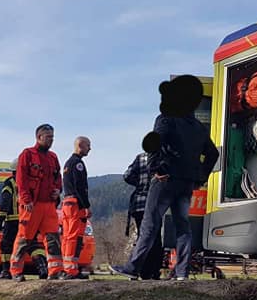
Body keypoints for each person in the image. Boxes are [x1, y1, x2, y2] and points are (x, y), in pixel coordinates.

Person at [112, 75, 219, 281]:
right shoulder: (198, 126)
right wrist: (200, 177)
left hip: (166, 180)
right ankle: (182, 273)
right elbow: (213, 153)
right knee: (183, 228)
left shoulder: (166, 118)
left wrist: (156, 168)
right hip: (187, 182)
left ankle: (133, 268)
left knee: (150, 225)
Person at [10, 123, 63, 282]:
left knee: (53, 238)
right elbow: (21, 180)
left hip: (49, 205)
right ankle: (16, 271)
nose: (51, 140)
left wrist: (57, 190)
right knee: (24, 237)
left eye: (52, 137)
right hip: (32, 205)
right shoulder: (27, 154)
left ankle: (55, 271)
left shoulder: (53, 157)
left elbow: (58, 178)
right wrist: (26, 200)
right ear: (39, 137)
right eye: (48, 137)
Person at [122, 152, 163, 279]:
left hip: (139, 203)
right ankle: (154, 271)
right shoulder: (163, 157)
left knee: (142, 237)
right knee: (156, 238)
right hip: (156, 202)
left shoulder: (140, 158)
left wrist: (139, 183)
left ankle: (142, 270)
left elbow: (127, 175)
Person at [60, 136, 92, 279]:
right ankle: (71, 270)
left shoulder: (68, 163)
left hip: (67, 203)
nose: (90, 149)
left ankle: (66, 267)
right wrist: (86, 206)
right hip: (75, 204)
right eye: (88, 146)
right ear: (80, 145)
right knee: (75, 237)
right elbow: (80, 187)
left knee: (67, 236)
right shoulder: (78, 163)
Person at [0, 160, 19, 279]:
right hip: (28, 220)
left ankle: (6, 271)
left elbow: (6, 201)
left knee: (6, 245)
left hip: (12, 220)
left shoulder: (9, 183)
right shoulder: (29, 182)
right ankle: (42, 268)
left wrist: (0, 219)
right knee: (32, 245)